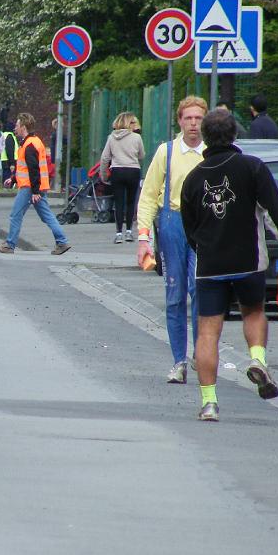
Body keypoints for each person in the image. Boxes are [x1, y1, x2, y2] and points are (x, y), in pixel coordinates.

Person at [180, 108, 278, 421]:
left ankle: (209, 402)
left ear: (205, 137)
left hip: (209, 265)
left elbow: (190, 229)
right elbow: (274, 212)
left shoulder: (193, 179)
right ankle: (257, 360)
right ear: (234, 135)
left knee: (208, 331)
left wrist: (204, 249)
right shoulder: (252, 167)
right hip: (249, 261)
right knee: (254, 312)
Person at [136, 95, 207, 384]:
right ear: (179, 121)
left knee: (200, 290)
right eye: (188, 118)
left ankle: (201, 354)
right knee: (175, 294)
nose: (193, 124)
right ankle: (179, 361)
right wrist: (143, 238)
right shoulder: (166, 152)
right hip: (172, 223)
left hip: (203, 227)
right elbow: (148, 196)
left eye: (198, 118)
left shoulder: (212, 152)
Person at [0, 112, 72, 256]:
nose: (15, 128)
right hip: (36, 186)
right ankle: (62, 241)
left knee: (15, 215)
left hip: (29, 187)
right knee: (46, 215)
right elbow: (26, 167)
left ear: (23, 126)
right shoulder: (33, 142)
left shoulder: (29, 145)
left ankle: (10, 244)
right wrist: (14, 179)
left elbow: (33, 170)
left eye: (17, 125)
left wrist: (34, 191)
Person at [99, 111, 145, 243]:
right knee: (131, 202)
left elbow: (105, 158)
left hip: (117, 171)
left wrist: (103, 175)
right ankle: (129, 232)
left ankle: (118, 233)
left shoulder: (111, 137)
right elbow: (142, 155)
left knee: (118, 202)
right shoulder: (136, 137)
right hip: (133, 170)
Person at [0, 121, 18, 188]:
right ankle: (7, 189)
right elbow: (10, 150)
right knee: (9, 179)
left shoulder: (4, 135)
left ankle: (5, 188)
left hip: (4, 160)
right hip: (9, 161)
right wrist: (12, 163)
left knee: (5, 177)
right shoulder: (10, 136)